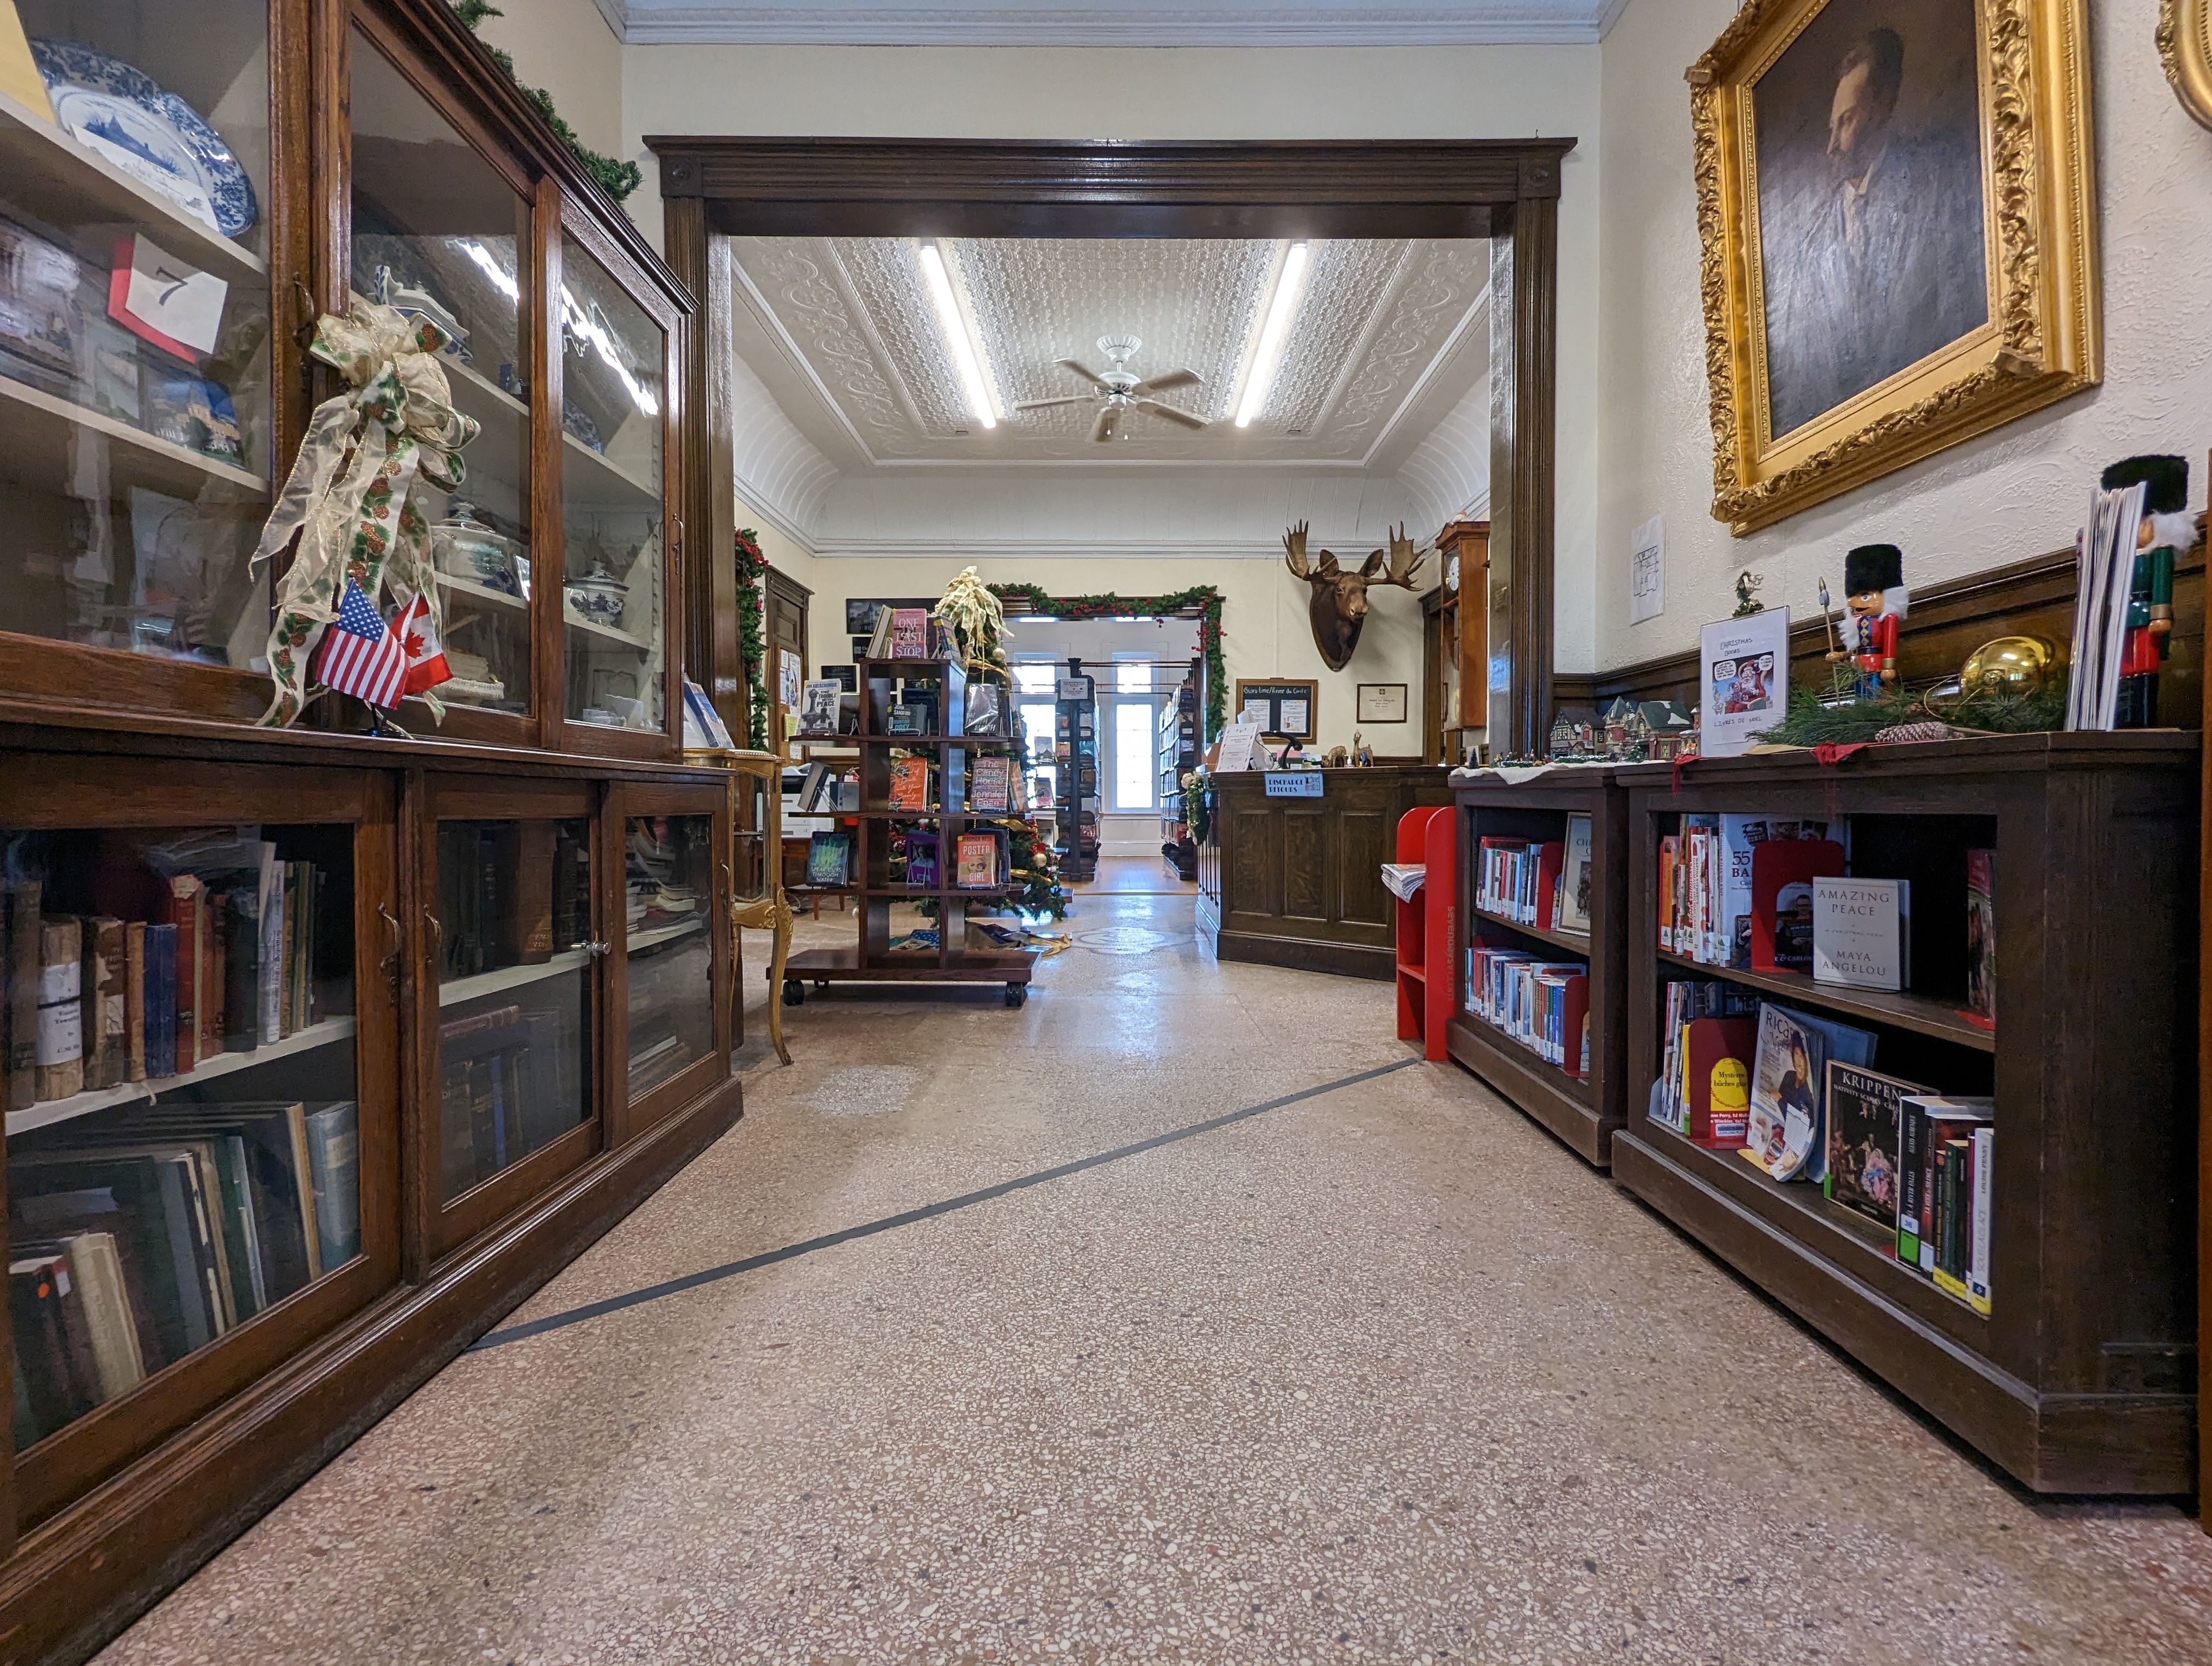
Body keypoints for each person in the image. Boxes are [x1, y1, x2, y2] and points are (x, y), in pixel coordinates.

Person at [1760, 27, 1988, 436]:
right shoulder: (1813, 241)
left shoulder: (1935, 183)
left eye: (1846, 122)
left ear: (1882, 108)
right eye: (1832, 126)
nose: (1832, 145)